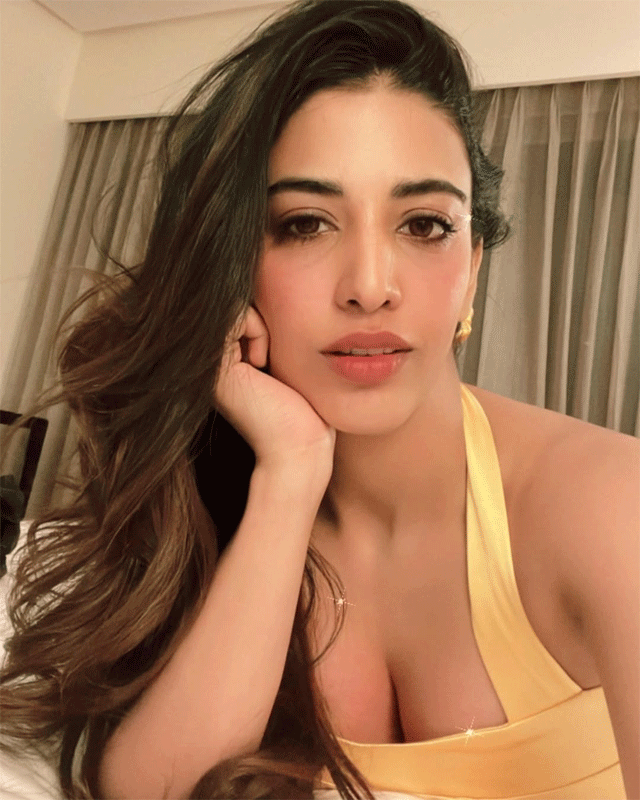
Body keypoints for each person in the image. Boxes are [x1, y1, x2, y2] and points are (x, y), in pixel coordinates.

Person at [1, 1, 638, 798]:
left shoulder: (609, 502)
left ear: (472, 269)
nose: (370, 286)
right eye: (306, 224)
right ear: (234, 266)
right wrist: (291, 472)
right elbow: (151, 790)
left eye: (424, 225)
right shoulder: (223, 497)